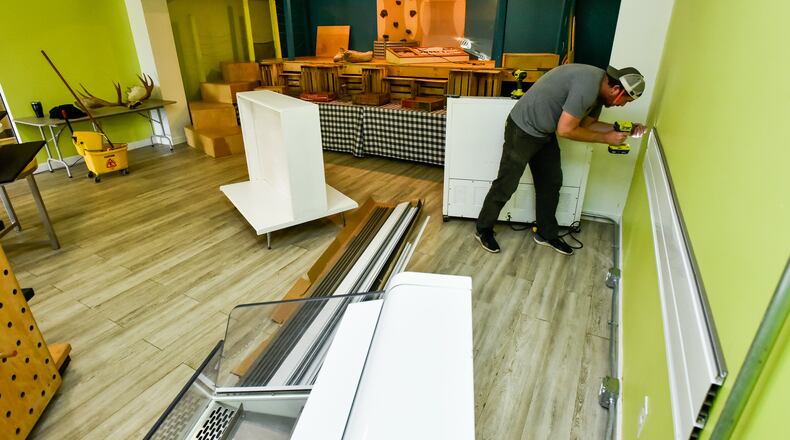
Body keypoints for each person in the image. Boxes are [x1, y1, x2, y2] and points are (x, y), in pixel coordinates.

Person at [474, 64, 646, 255]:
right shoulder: (587, 87)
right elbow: (565, 130)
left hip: (544, 132)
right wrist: (606, 139)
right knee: (507, 183)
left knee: (551, 182)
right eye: (625, 101)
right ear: (616, 90)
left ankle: (546, 233)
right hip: (522, 129)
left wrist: (625, 129)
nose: (622, 105)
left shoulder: (599, 92)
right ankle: (483, 229)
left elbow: (589, 124)